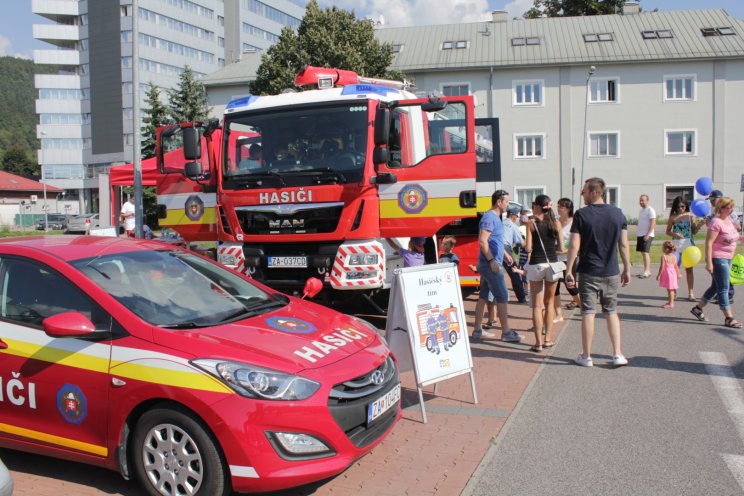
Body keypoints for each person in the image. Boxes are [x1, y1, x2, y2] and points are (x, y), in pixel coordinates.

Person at [566, 177, 630, 368]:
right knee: (611, 312)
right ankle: (617, 354)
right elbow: (624, 244)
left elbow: (574, 245)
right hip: (611, 271)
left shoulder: (581, 215)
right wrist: (626, 268)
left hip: (588, 271)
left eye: (584, 192)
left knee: (588, 313)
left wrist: (569, 269)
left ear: (594, 192)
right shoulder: (618, 214)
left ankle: (586, 356)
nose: (582, 195)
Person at [472, 189, 522, 343]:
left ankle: (477, 330)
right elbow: (483, 241)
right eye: (507, 201)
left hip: (490, 263)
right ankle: (506, 332)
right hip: (490, 265)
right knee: (502, 297)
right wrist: (492, 261)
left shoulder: (496, 218)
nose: (508, 204)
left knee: (483, 297)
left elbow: (496, 241)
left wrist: (507, 256)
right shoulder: (490, 217)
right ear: (499, 202)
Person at [690, 196, 742, 328]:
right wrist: (709, 262)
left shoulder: (728, 220)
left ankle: (697, 309)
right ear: (721, 208)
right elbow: (708, 243)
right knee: (724, 288)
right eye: (728, 207)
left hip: (728, 257)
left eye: (732, 207)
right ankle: (729, 318)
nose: (731, 210)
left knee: (715, 287)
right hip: (719, 258)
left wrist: (741, 238)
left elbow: (732, 236)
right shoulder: (716, 223)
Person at [524, 194, 563, 352]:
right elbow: (561, 247)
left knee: (537, 305)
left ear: (538, 206)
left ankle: (538, 343)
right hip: (552, 264)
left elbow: (528, 248)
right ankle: (548, 339)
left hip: (536, 265)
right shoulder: (556, 223)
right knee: (550, 303)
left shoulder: (531, 223)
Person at [666, 196, 702, 300]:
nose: (680, 209)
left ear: (686, 206)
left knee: (689, 270)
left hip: (688, 245)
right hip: (676, 245)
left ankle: (691, 293)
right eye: (678, 207)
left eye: (682, 206)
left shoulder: (691, 216)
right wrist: (675, 234)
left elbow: (694, 231)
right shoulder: (673, 217)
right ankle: (674, 292)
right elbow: (667, 231)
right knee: (674, 269)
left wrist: (700, 225)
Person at [555, 197, 580, 316]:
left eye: (561, 207)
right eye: (558, 206)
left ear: (568, 209)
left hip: (568, 258)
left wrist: (564, 251)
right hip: (554, 259)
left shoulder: (574, 223)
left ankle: (583, 307)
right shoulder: (555, 221)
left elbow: (577, 245)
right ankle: (558, 315)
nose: (558, 209)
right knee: (554, 286)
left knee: (570, 285)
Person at [503, 206, 527, 303]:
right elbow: (520, 243)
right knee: (515, 273)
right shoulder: (513, 226)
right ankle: (521, 298)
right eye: (516, 217)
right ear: (513, 216)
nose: (517, 219)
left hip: (495, 248)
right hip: (505, 249)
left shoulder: (501, 223)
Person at [636, 194, 657, 278]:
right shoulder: (641, 210)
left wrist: (648, 234)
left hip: (647, 235)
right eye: (640, 200)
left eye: (643, 200)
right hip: (640, 234)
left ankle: (647, 271)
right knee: (642, 252)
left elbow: (653, 223)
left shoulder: (650, 210)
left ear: (647, 201)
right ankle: (646, 270)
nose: (641, 202)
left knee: (645, 252)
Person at [656, 240, 681, 309]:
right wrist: (678, 274)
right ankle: (670, 301)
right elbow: (676, 266)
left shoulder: (664, 257)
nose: (662, 249)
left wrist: (658, 275)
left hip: (668, 274)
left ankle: (671, 303)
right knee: (670, 289)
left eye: (663, 247)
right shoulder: (674, 256)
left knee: (670, 289)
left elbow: (662, 267)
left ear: (666, 249)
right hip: (673, 274)